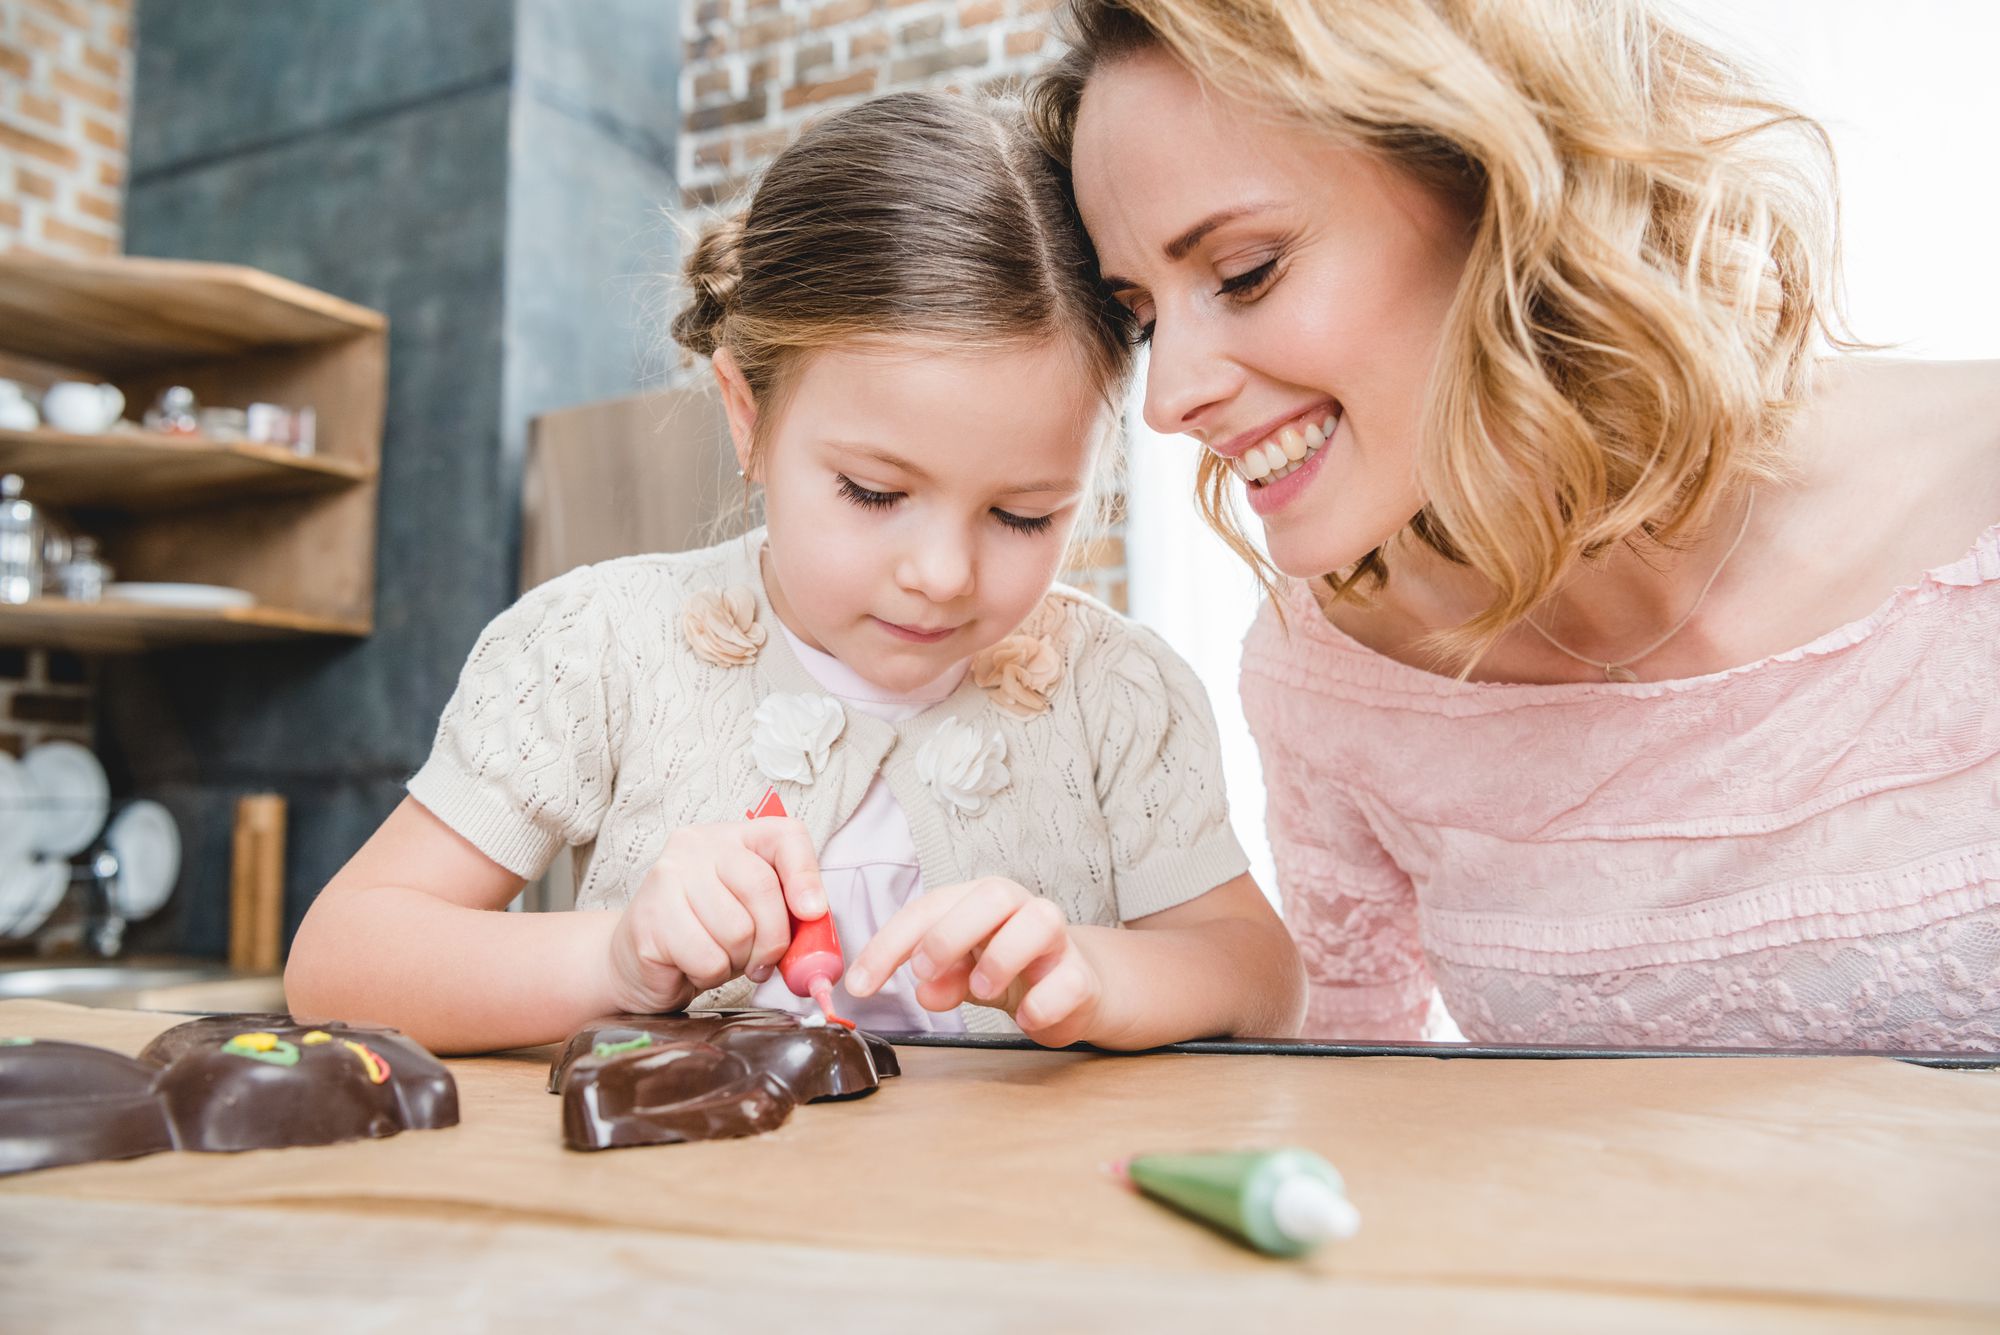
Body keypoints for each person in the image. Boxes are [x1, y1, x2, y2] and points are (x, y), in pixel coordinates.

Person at [1029, 0, 2000, 1049]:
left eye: (1243, 272)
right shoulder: (1332, 669)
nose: (1166, 398)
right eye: (1142, 315)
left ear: (1498, 183)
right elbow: (1354, 1108)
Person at [285, 91, 1305, 1055]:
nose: (943, 574)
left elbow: (1260, 976)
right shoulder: (602, 646)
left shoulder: (1113, 693)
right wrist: (610, 958)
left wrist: (1102, 972)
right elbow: (343, 960)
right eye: (870, 491)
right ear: (748, 416)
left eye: (1021, 514)